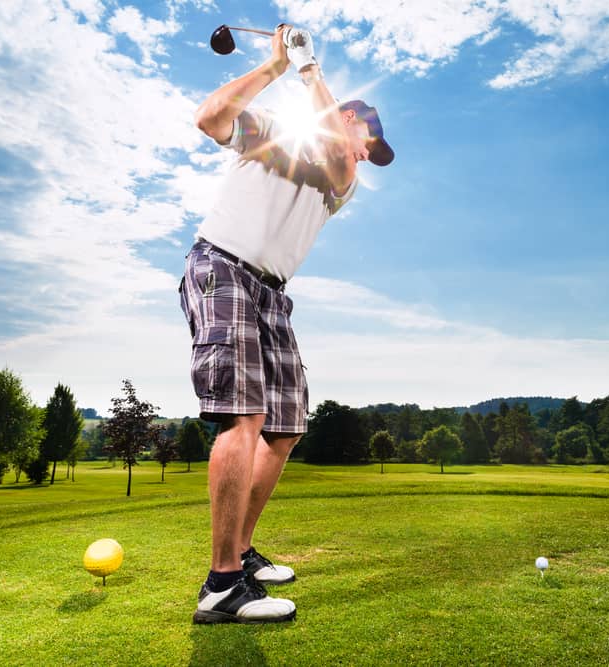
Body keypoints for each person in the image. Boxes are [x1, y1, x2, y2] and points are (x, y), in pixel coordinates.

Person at [180, 24, 394, 624]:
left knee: (286, 426)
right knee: (243, 415)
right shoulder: (270, 132)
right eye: (366, 140)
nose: (364, 155)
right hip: (221, 265)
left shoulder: (340, 179)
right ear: (345, 119)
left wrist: (309, 71)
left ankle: (240, 553)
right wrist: (278, 66)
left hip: (272, 293)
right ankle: (222, 587)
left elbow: (333, 154)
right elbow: (210, 118)